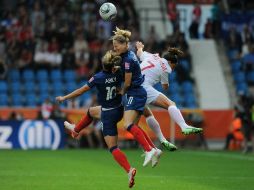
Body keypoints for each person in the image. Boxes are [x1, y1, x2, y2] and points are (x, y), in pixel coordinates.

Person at [56, 51, 137, 188]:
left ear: (102, 65)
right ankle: (75, 130)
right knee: (91, 111)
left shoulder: (98, 77)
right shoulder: (118, 72)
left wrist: (64, 98)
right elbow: (128, 75)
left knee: (113, 148)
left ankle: (129, 170)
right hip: (119, 109)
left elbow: (81, 91)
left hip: (108, 115)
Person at [136, 41, 203, 135]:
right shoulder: (166, 68)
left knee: (143, 116)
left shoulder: (152, 56)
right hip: (144, 87)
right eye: (173, 66)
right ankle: (184, 126)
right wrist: (162, 79)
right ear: (170, 62)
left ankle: (156, 143)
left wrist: (140, 47)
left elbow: (139, 53)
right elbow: (165, 87)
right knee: (171, 104)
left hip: (134, 86)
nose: (173, 69)